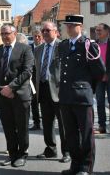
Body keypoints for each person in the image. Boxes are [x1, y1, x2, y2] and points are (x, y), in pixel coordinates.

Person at [59, 15, 105, 175]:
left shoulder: (87, 45)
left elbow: (100, 71)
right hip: (65, 97)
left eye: (72, 25)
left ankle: (86, 167)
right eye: (68, 25)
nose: (69, 28)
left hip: (81, 97)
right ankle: (75, 164)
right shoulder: (64, 45)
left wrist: (87, 88)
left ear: (80, 26)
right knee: (70, 134)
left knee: (86, 134)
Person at [0, 24, 34, 168]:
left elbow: (27, 71)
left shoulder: (25, 49)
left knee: (21, 126)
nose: (4, 36)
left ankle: (22, 154)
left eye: (7, 33)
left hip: (20, 95)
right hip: (2, 96)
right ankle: (12, 153)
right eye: (2, 34)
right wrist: (2, 89)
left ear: (14, 33)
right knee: (8, 127)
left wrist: (11, 87)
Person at [34, 22, 70, 163]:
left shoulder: (62, 47)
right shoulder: (38, 49)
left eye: (47, 30)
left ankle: (66, 152)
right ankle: (50, 149)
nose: (44, 33)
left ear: (55, 32)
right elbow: (35, 71)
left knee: (63, 124)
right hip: (42, 89)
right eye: (43, 30)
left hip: (59, 91)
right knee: (47, 123)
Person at [30, 29, 44, 131]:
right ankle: (36, 123)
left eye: (39, 36)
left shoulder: (45, 48)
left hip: (43, 79)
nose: (37, 38)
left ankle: (46, 121)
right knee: (34, 102)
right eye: (35, 36)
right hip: (32, 79)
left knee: (44, 102)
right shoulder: (28, 48)